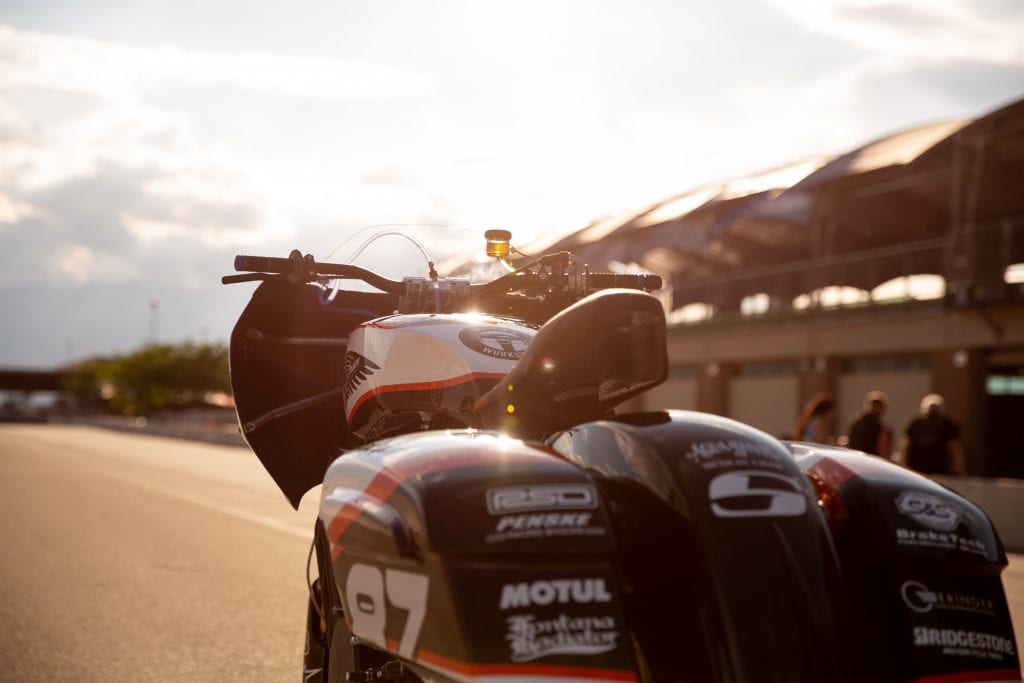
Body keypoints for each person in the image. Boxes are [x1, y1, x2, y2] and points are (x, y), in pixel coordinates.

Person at [898, 394, 966, 476]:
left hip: (926, 468)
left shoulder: (947, 425)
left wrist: (903, 464)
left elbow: (905, 446)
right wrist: (959, 469)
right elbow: (956, 449)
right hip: (934, 468)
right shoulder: (916, 424)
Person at [847, 390, 892, 458]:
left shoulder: (856, 421)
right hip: (871, 459)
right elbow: (881, 446)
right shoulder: (876, 424)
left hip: (855, 458)